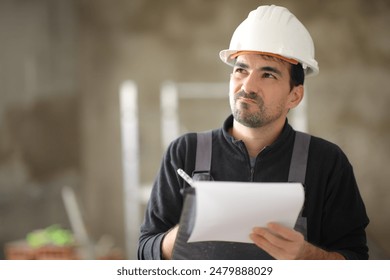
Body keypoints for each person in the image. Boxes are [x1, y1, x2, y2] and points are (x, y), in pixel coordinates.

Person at [138, 5, 369, 260]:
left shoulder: (327, 162)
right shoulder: (184, 152)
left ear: (295, 95)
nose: (247, 86)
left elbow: (357, 262)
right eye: (241, 70)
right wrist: (182, 235)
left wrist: (306, 256)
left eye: (267, 74)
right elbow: (144, 252)